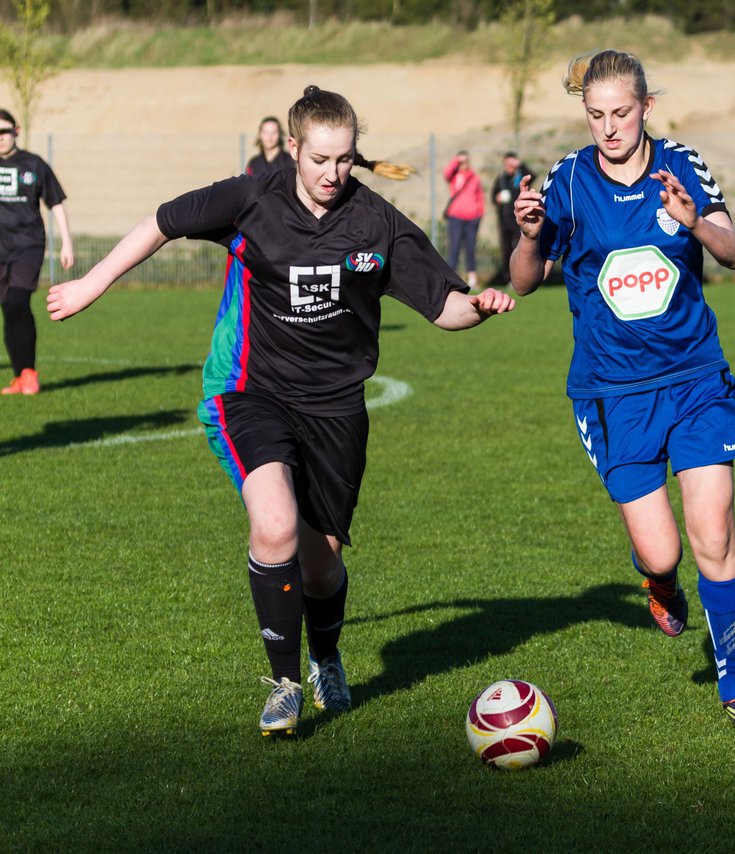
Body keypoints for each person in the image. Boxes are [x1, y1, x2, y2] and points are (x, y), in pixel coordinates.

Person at [46, 85, 515, 735]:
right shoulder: (251, 198)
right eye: (320, 158)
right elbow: (162, 221)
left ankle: (325, 657)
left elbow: (445, 307)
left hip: (337, 410)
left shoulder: (375, 220)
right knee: (274, 526)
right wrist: (92, 284)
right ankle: (284, 683)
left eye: (345, 159)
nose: (332, 173)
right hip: (253, 394)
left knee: (322, 562)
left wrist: (481, 307)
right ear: (294, 148)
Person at [509, 49, 735, 731]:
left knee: (713, 529)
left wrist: (694, 223)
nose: (608, 128)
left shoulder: (681, 163)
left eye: (621, 113)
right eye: (595, 115)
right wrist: (530, 236)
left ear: (646, 106)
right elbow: (522, 280)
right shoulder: (567, 181)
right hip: (612, 393)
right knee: (664, 553)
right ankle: (657, 581)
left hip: (694, 378)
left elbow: (734, 251)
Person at [0, 109, 73, 396]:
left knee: (18, 301)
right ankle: (20, 377)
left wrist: (66, 242)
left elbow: (55, 202)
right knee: (8, 308)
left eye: (4, 131)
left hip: (27, 245)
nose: (1, 138)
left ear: (16, 131)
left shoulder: (34, 164)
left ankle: (29, 374)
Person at [443, 149, 484, 290]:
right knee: (454, 248)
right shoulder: (454, 176)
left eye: (466, 160)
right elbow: (446, 173)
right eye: (461, 161)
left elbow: (479, 197)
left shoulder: (474, 177)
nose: (464, 164)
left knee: (470, 248)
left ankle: (472, 278)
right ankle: (451, 277)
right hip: (455, 217)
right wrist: (456, 161)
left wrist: (479, 213)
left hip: (472, 218)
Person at [490, 151, 529, 286]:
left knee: (519, 248)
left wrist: (521, 165)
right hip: (504, 219)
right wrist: (497, 198)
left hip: (518, 219)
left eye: (512, 163)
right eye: (508, 163)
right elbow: (493, 196)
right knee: (506, 250)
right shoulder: (501, 178)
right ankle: (508, 278)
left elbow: (532, 175)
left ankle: (521, 279)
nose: (510, 166)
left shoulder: (521, 176)